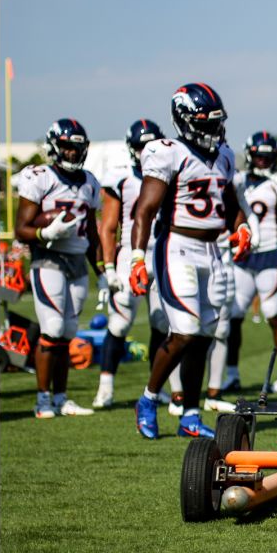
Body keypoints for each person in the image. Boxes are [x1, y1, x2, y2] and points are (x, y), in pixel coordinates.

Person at [128, 83, 258, 439]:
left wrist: (242, 226)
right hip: (177, 246)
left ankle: (190, 413)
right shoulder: (166, 151)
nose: (213, 130)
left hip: (214, 251)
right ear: (184, 120)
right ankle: (149, 399)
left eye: (216, 122)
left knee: (203, 335)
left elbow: (229, 205)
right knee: (183, 332)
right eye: (205, 122)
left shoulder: (225, 155)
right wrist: (137, 257)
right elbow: (146, 208)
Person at [13, 119, 102, 418]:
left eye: (78, 148)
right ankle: (42, 400)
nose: (74, 153)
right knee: (51, 329)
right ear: (54, 147)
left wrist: (103, 272)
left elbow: (91, 231)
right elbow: (20, 229)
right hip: (48, 260)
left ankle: (62, 397)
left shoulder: (89, 181)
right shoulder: (40, 177)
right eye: (67, 147)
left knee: (67, 332)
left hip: (77, 262)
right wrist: (44, 233)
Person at [92, 119, 183, 409]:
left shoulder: (173, 173)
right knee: (119, 323)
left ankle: (153, 387)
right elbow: (107, 226)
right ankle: (106, 385)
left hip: (162, 252)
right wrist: (107, 267)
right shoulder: (119, 177)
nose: (146, 153)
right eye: (141, 147)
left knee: (162, 323)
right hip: (130, 254)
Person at [212, 130, 277, 397]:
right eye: (258, 157)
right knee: (233, 318)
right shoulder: (238, 180)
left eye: (267, 157)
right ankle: (232, 374)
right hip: (242, 258)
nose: (263, 162)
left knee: (275, 316)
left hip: (270, 257)